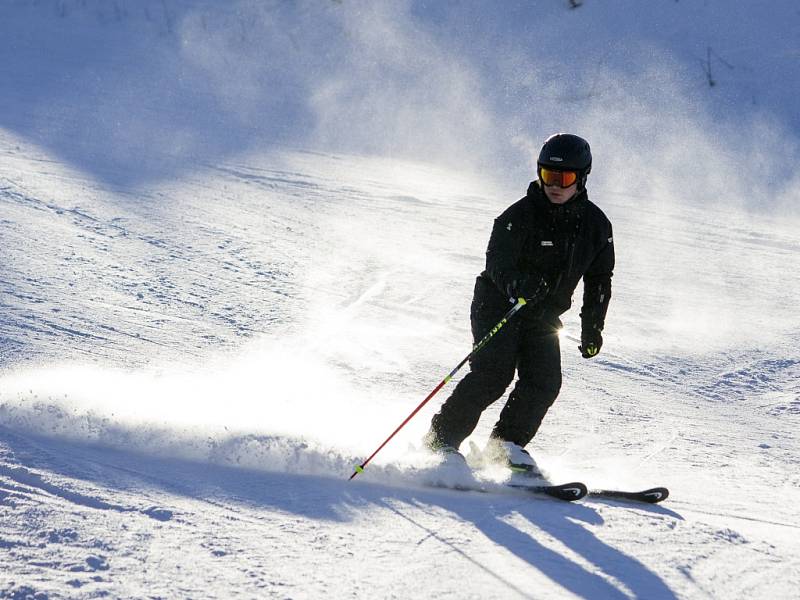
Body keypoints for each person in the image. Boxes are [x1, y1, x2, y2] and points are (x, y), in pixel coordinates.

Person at [424, 133, 614, 474]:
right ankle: (440, 441)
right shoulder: (519, 215)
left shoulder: (596, 226)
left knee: (544, 382)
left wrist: (592, 328)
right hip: (500, 303)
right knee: (493, 374)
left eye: (564, 178)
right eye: (547, 176)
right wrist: (518, 284)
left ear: (581, 178)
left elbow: (599, 280)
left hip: (544, 316)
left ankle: (502, 448)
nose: (555, 185)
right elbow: (496, 261)